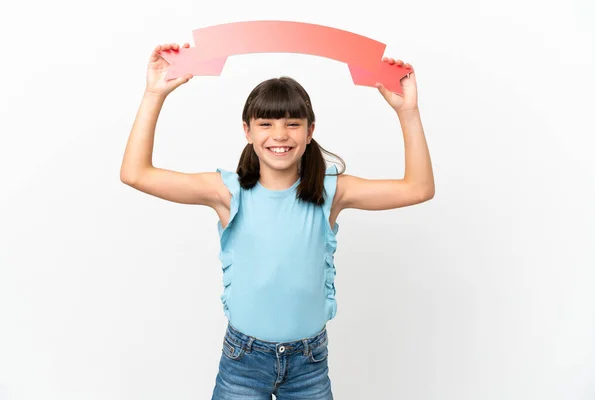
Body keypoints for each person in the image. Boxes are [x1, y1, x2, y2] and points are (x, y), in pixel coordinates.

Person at [120, 42, 434, 400]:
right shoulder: (227, 192)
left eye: (292, 124)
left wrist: (408, 111)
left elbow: (419, 188)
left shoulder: (331, 192)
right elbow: (135, 173)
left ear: (309, 131)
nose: (280, 135)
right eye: (266, 123)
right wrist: (153, 94)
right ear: (248, 131)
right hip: (243, 362)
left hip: (308, 363)